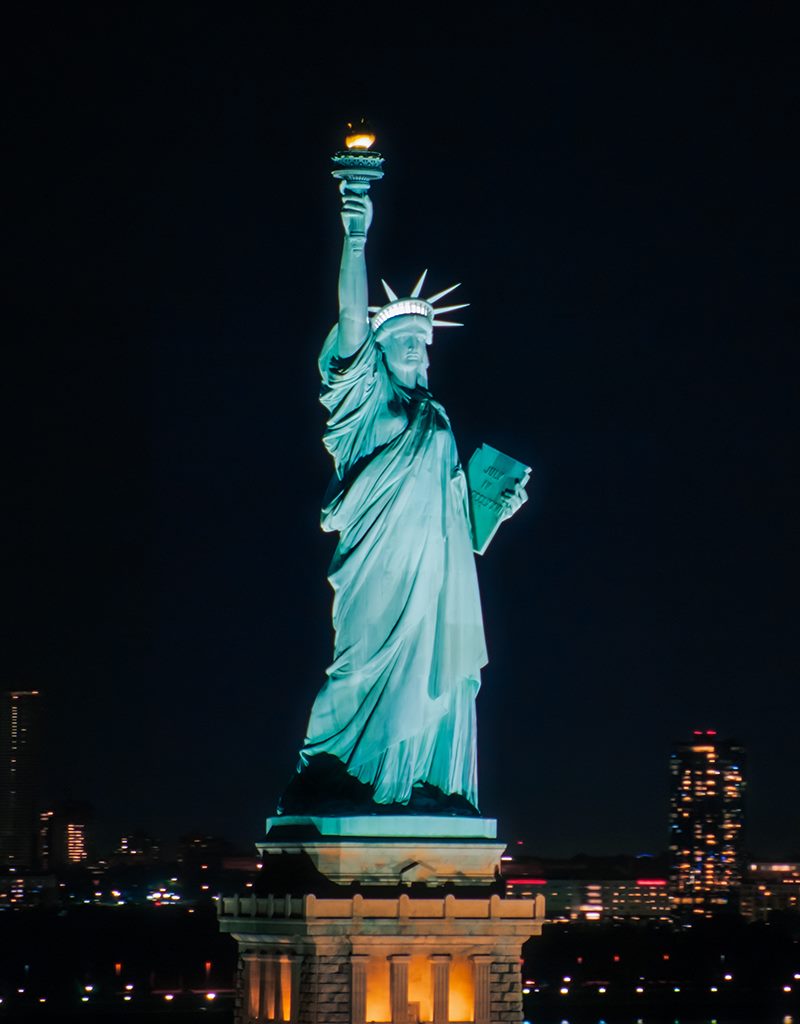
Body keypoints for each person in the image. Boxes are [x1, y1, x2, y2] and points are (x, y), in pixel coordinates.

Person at [278, 186, 525, 817]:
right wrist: (356, 234)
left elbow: (459, 524)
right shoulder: (366, 406)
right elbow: (354, 320)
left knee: (435, 683)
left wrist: (497, 506)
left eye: (425, 344)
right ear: (379, 355)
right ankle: (336, 772)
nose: (419, 354)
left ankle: (416, 781)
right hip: (378, 568)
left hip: (436, 576)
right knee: (357, 667)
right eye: (405, 343)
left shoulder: (438, 420)